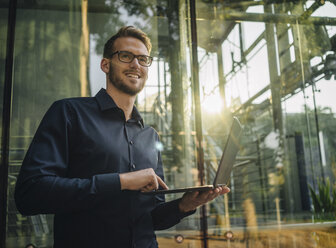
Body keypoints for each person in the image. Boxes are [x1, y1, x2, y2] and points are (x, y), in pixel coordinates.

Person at [14, 26, 229, 248]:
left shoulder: (151, 137)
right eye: (126, 56)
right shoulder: (69, 113)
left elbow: (150, 218)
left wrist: (184, 205)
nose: (136, 64)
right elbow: (30, 194)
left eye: (143, 59)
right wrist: (122, 181)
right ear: (105, 64)